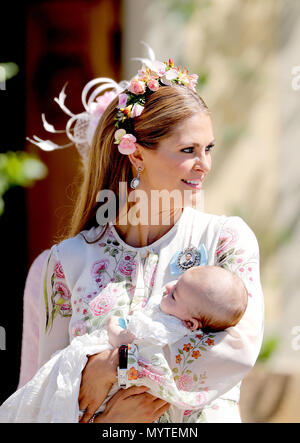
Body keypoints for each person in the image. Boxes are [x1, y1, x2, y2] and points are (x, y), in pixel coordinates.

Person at [0, 44, 264, 423]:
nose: (204, 164)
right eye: (188, 149)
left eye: (208, 148)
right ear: (137, 155)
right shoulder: (62, 266)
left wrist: (108, 367)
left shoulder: (225, 240)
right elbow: (32, 401)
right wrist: (107, 422)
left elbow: (234, 350)